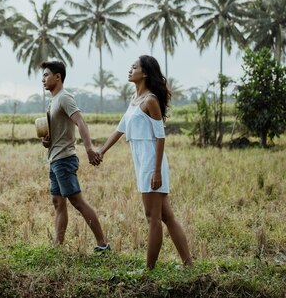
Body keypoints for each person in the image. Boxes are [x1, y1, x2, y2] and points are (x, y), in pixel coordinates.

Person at [97, 55, 192, 269]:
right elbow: (120, 129)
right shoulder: (134, 100)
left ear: (145, 73)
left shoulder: (150, 100)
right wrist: (101, 151)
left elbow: (160, 137)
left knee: (152, 217)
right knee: (166, 216)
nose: (130, 70)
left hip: (151, 163)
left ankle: (149, 269)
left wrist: (156, 171)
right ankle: (189, 264)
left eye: (134, 67)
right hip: (142, 162)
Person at [40, 60, 110, 252]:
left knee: (77, 202)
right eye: (43, 76)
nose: (43, 79)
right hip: (55, 158)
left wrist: (89, 150)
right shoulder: (53, 101)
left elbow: (81, 122)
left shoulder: (64, 98)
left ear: (58, 77)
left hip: (64, 159)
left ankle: (103, 244)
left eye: (46, 75)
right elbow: (58, 133)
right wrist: (47, 142)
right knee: (58, 202)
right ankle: (58, 246)